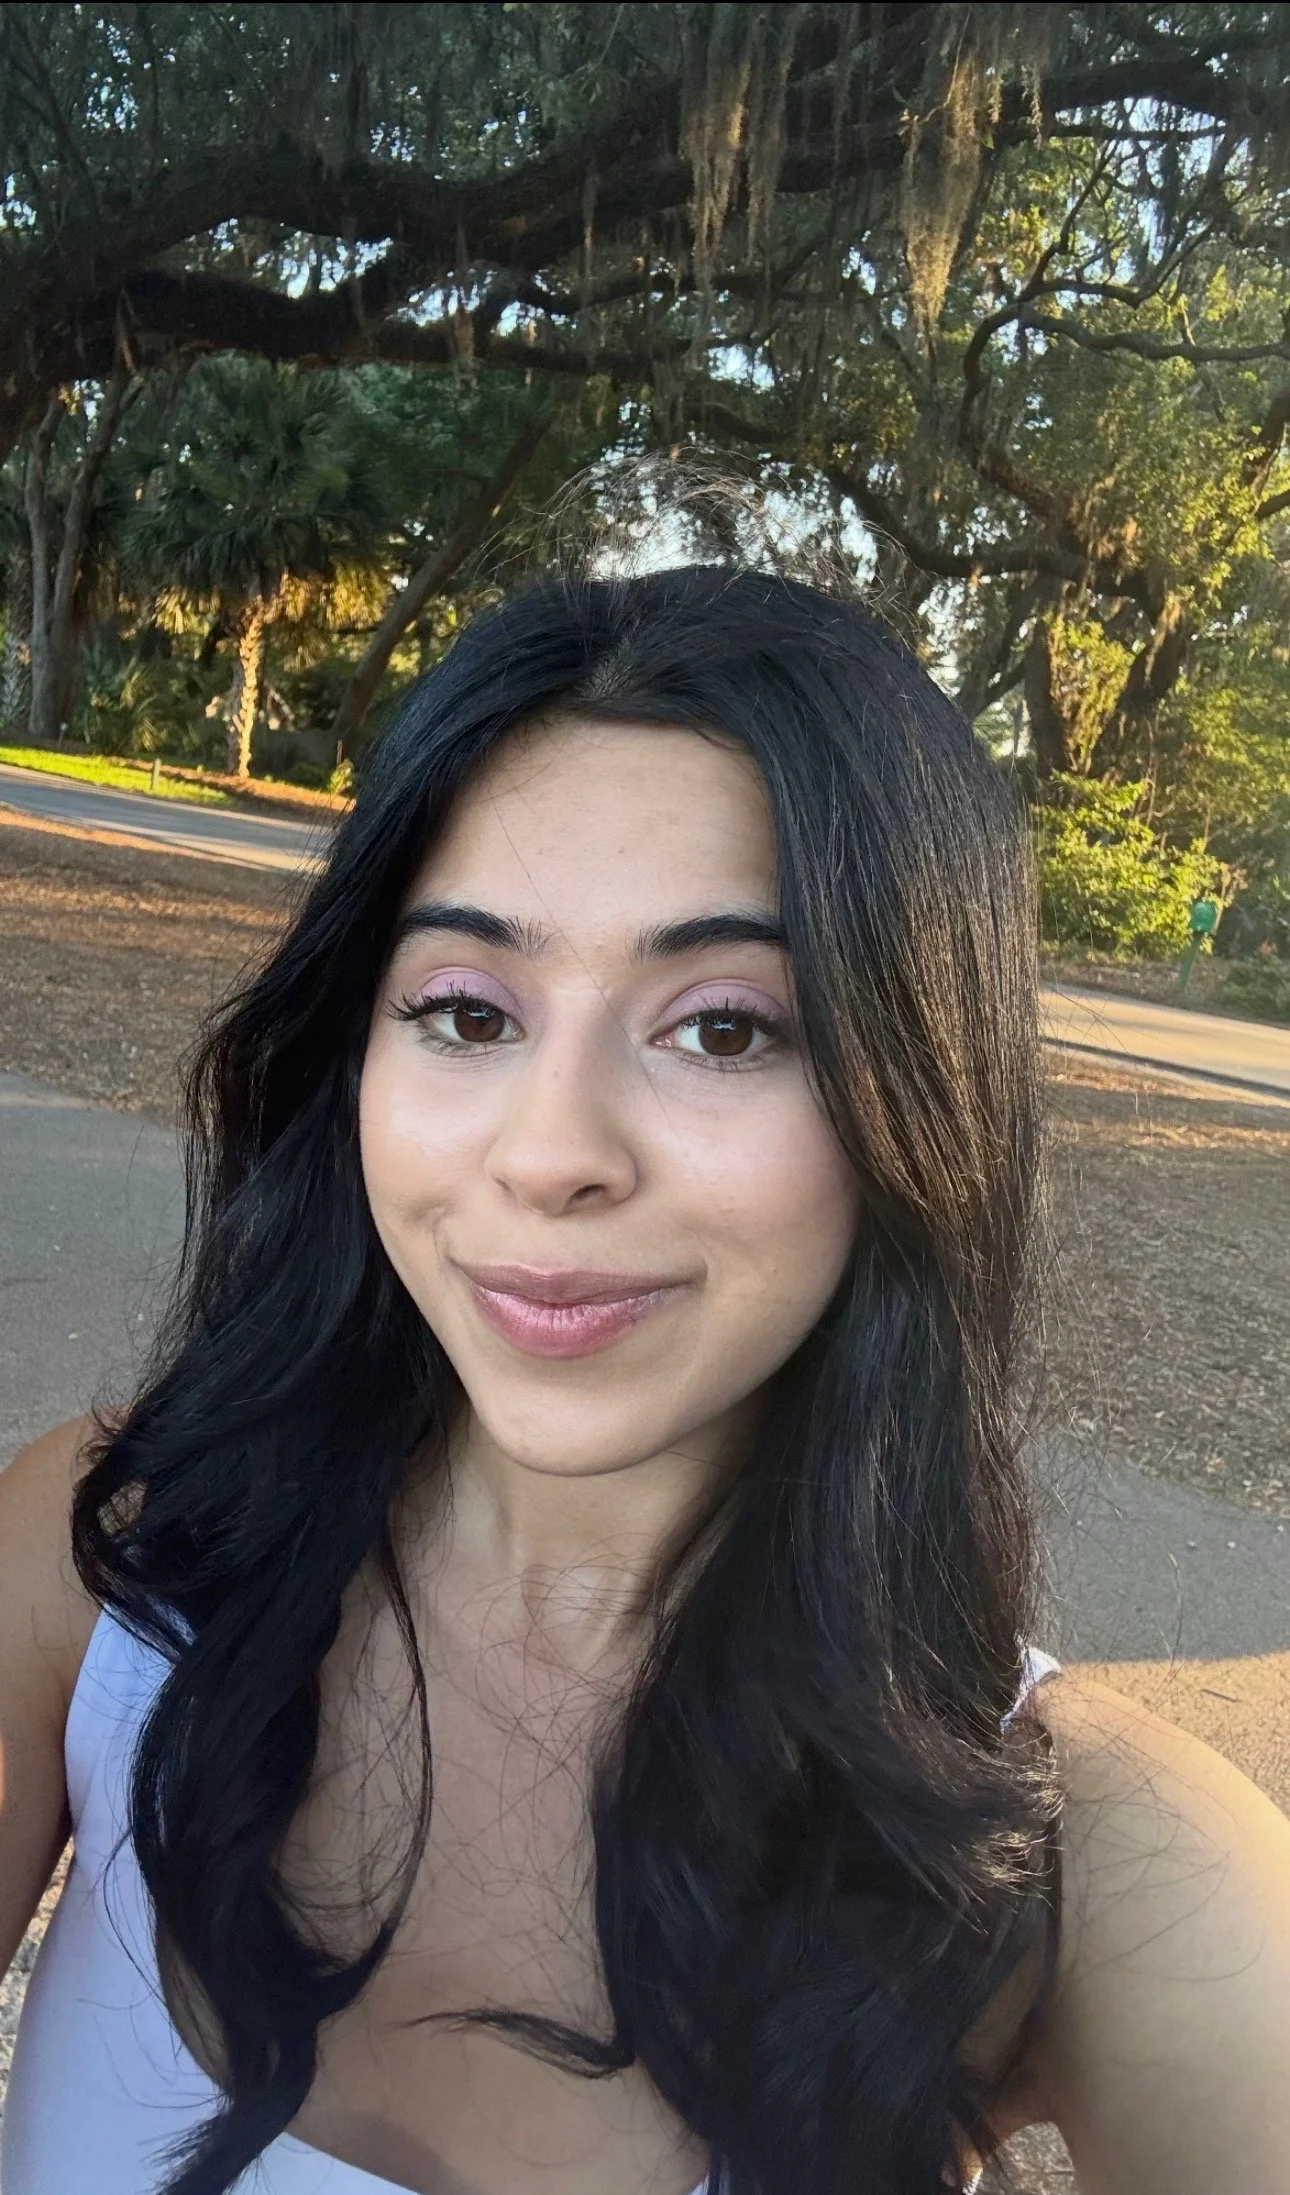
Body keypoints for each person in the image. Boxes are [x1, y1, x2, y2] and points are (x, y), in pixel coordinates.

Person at [1, 563, 1287, 2195]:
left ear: (920, 1095)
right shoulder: (107, 1563)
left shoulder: (1082, 1861)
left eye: (725, 1031)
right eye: (465, 1007)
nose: (549, 1155)